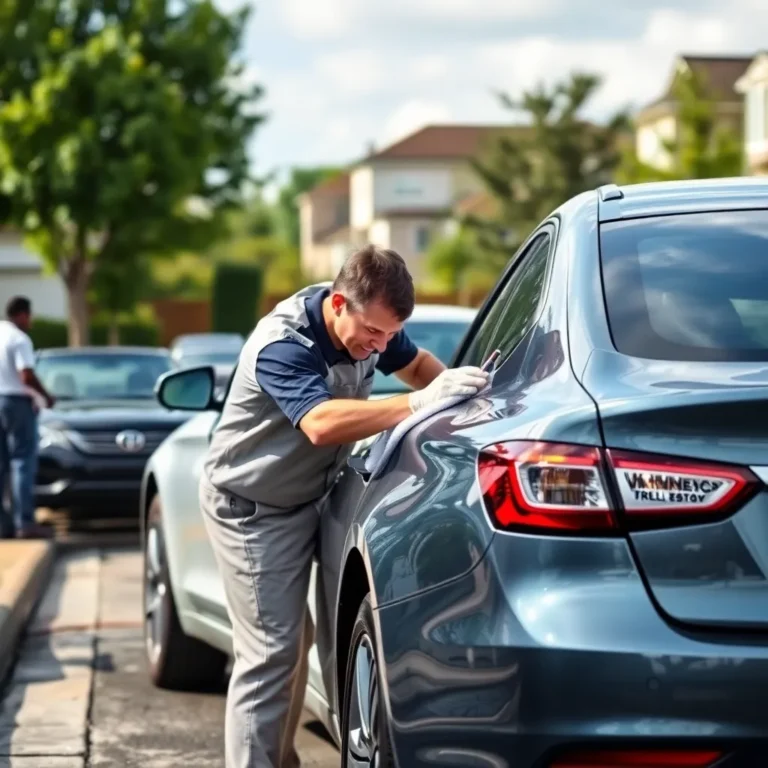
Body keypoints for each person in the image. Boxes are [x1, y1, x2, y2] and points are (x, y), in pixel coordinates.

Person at [199, 245, 488, 768]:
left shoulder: (373, 324)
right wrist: (416, 402)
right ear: (338, 304)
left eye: (387, 335)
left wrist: (459, 395)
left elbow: (418, 364)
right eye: (372, 334)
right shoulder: (283, 343)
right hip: (252, 509)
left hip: (310, 498)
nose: (379, 345)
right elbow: (320, 424)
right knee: (269, 653)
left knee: (294, 642)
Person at [0, 296, 55, 539]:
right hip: (15, 402)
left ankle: (4, 524)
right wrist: (46, 397)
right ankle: (25, 522)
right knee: (22, 461)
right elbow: (26, 377)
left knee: (2, 465)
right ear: (22, 314)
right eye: (29, 316)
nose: (30, 321)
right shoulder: (19, 339)